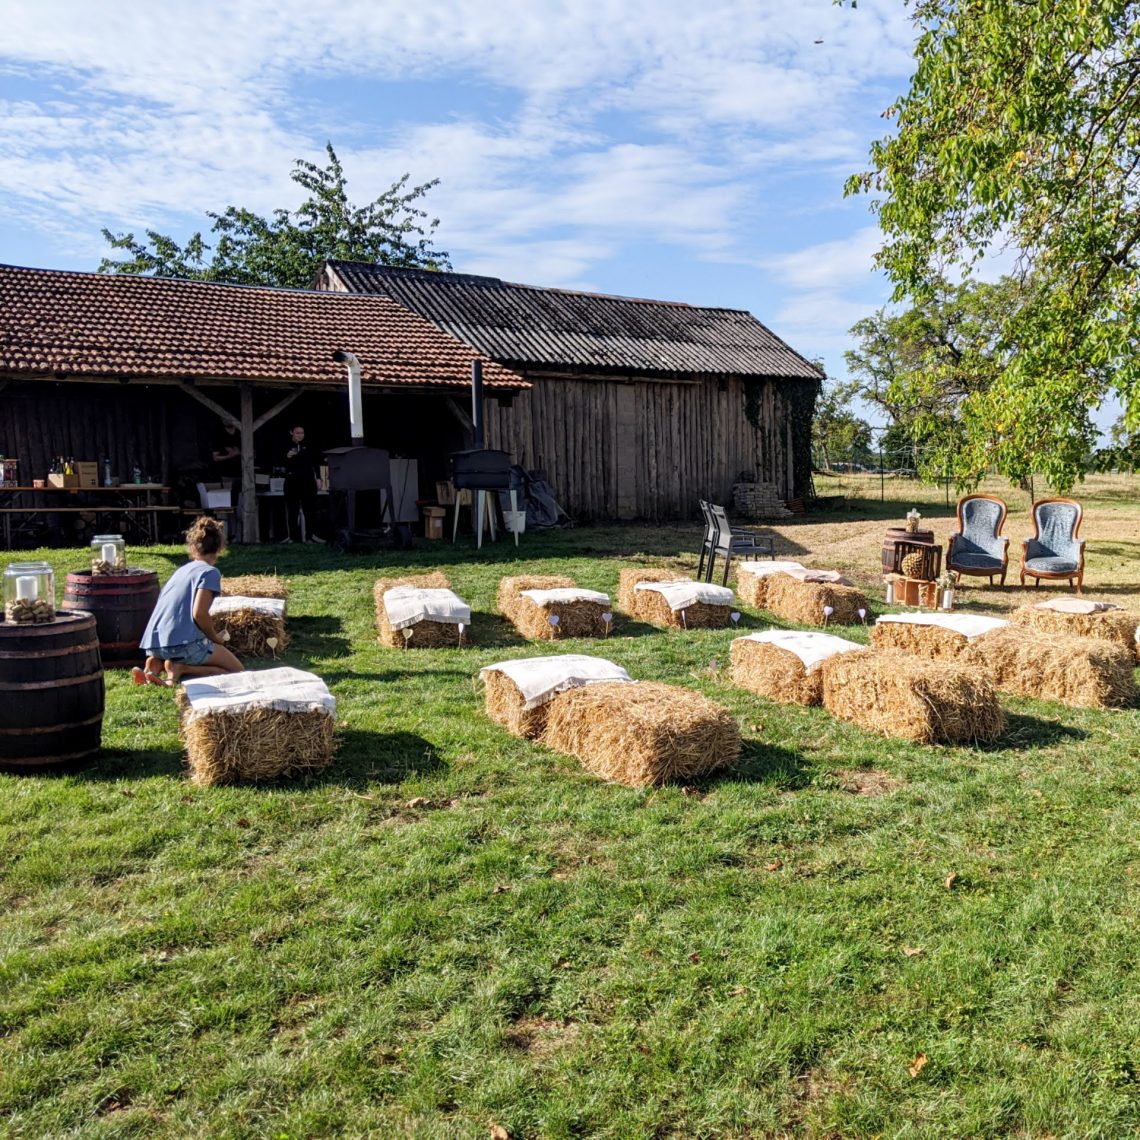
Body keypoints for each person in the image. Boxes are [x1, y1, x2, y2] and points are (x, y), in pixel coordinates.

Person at [132, 516, 244, 686]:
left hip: (154, 643)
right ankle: (181, 668)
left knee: (173, 652)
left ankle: (154, 665)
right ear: (220, 547)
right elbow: (199, 613)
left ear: (193, 547)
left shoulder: (181, 571)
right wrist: (215, 637)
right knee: (238, 672)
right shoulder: (209, 572)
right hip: (182, 646)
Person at [281, 424, 325, 543]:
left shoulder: (309, 446)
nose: (300, 435)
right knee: (292, 510)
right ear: (291, 433)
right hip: (292, 481)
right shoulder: (285, 446)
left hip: (307, 481)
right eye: (297, 433)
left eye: (302, 433)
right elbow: (278, 461)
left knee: (310, 509)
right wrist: (286, 456)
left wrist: (319, 478)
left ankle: (310, 536)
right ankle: (293, 537)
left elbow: (315, 462)